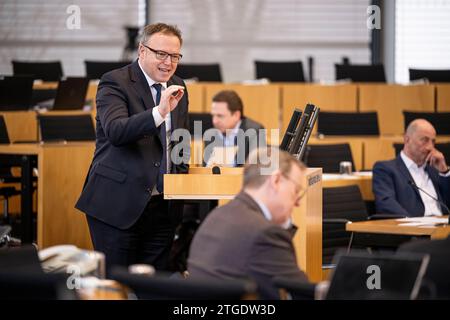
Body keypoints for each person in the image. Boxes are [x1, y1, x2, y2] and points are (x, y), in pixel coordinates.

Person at [75, 23, 189, 271]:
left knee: (153, 288)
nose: (168, 63)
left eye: (175, 56)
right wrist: (159, 112)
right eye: (161, 54)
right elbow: (117, 131)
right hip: (118, 204)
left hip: (162, 209)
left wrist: (182, 185)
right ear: (142, 50)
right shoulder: (114, 82)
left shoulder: (178, 85)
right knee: (118, 287)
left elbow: (180, 138)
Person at [188, 148, 309, 299]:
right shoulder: (265, 234)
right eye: (296, 191)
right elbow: (303, 294)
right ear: (276, 180)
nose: (297, 202)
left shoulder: (215, 216)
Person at [373, 119, 450, 217]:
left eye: (433, 141)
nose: (430, 147)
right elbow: (385, 204)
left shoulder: (435, 170)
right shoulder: (386, 169)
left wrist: (444, 171)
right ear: (407, 139)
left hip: (443, 226)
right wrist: (412, 223)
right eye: (425, 140)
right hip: (414, 228)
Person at [204, 90, 265, 167]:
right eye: (213, 116)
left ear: (236, 115)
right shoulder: (211, 134)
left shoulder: (254, 131)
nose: (215, 121)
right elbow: (205, 169)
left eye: (220, 116)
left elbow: (256, 168)